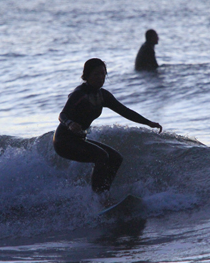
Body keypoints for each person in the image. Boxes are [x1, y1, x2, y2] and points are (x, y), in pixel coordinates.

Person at [53, 58, 162, 196]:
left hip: (78, 140)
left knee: (116, 158)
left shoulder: (103, 95)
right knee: (102, 156)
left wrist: (148, 122)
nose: (100, 78)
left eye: (103, 74)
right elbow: (62, 114)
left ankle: (104, 193)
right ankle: (98, 197)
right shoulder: (79, 94)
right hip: (63, 141)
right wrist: (70, 124)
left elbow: (125, 111)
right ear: (87, 76)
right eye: (96, 74)